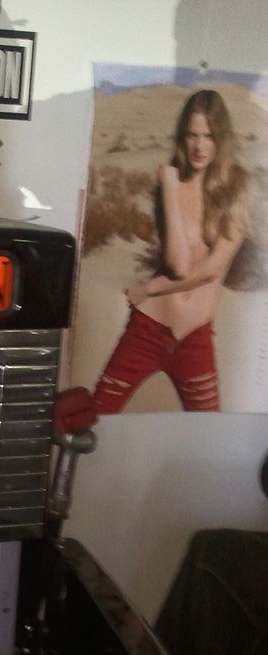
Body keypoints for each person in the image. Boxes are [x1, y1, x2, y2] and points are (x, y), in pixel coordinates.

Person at [91, 89, 250, 413]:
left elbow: (211, 270)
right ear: (182, 136)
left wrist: (149, 288)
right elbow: (178, 264)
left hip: (194, 338)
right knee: (96, 418)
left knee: (208, 432)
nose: (199, 146)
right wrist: (171, 191)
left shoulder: (235, 190)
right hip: (147, 330)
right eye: (192, 135)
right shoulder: (170, 186)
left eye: (208, 136)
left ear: (220, 138)